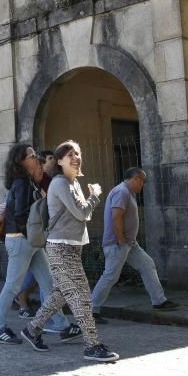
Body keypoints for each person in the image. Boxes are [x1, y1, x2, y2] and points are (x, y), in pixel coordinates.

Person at [21, 140, 120, 362]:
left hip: (72, 248)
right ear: (59, 161)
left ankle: (32, 329)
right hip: (60, 248)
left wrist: (89, 200)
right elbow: (82, 213)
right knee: (82, 297)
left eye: (78, 153)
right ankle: (92, 346)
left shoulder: (73, 183)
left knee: (60, 294)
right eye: (70, 155)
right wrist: (94, 196)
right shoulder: (59, 183)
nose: (76, 157)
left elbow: (84, 215)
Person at [0, 144, 76, 345]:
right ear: (21, 161)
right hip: (21, 240)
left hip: (30, 240)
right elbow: (20, 215)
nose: (37, 158)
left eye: (36, 154)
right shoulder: (22, 183)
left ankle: (63, 326)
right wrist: (35, 233)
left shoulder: (29, 182)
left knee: (48, 283)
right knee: (13, 286)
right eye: (32, 155)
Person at [90, 167, 178, 321]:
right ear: (136, 178)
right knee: (110, 276)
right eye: (142, 181)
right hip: (119, 243)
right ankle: (91, 311)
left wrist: (126, 242)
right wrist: (122, 240)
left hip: (129, 243)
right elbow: (116, 217)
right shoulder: (122, 192)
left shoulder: (126, 192)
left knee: (147, 264)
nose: (143, 185)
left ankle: (159, 301)